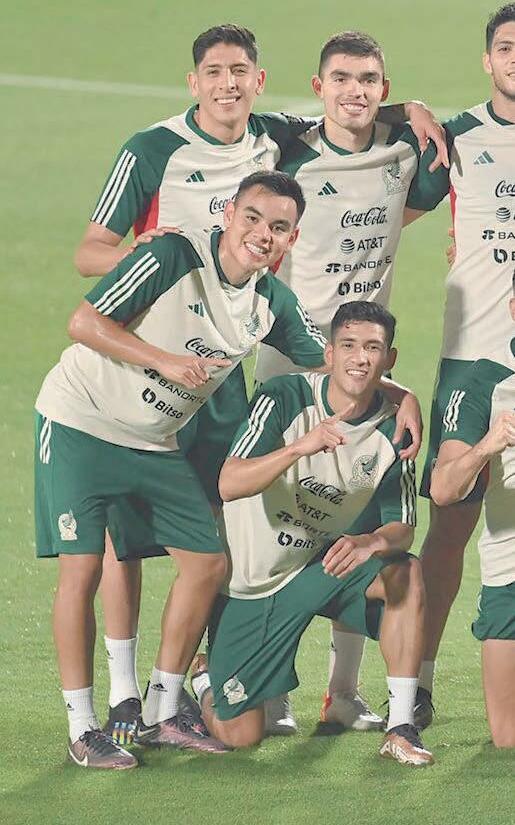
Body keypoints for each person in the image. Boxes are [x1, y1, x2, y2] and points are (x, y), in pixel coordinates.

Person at [74, 23, 444, 740]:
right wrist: (146, 252)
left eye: (240, 72)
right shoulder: (157, 148)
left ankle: (253, 687)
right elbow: (91, 253)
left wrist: (413, 108)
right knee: (140, 536)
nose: (228, 85)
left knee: (269, 531)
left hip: (232, 374)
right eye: (214, 72)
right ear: (194, 81)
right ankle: (128, 694)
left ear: (258, 79)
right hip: (170, 364)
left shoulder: (270, 139)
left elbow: (350, 105)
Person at [35, 171, 331, 769]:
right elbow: (83, 323)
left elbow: (330, 362)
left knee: (206, 562)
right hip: (80, 423)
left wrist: (398, 395)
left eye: (278, 227)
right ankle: (82, 726)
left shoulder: (271, 301)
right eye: (253, 218)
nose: (262, 234)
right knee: (83, 568)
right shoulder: (173, 254)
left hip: (152, 442)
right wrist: (163, 361)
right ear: (228, 214)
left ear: (292, 239)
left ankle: (162, 709)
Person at [254, 31, 449, 732]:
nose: (353, 92)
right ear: (317, 87)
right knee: (280, 526)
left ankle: (343, 694)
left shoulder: (405, 155)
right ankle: (270, 691)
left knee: (361, 521)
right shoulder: (288, 154)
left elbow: (430, 176)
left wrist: (410, 110)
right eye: (340, 79)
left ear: (382, 87)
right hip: (290, 368)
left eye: (368, 80)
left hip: (363, 366)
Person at [190, 301, 433, 767]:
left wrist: (370, 542)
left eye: (373, 348)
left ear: (389, 359)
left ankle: (401, 727)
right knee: (242, 734)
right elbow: (229, 483)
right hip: (253, 582)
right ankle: (205, 678)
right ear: (330, 353)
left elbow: (402, 525)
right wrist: (300, 447)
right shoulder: (284, 396)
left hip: (320, 568)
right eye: (349, 346)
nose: (360, 358)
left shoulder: (395, 428)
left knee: (406, 572)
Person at [406, 3, 515, 726]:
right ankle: (411, 683)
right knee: (449, 522)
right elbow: (383, 208)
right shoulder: (457, 138)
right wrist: (406, 107)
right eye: (506, 47)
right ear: (487, 60)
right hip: (474, 357)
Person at [430, 279, 515, 748]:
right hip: (510, 574)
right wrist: (487, 445)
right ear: (513, 308)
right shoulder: (485, 383)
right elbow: (444, 489)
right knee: (508, 738)